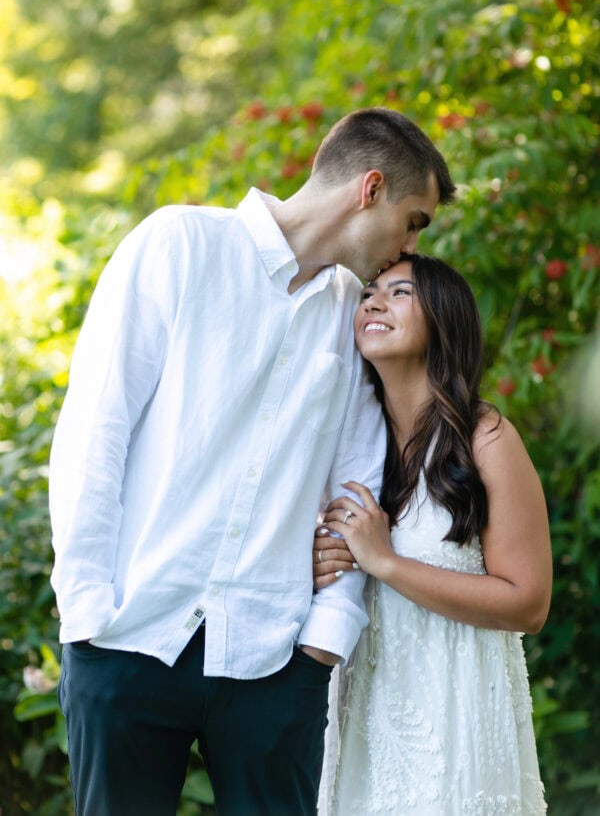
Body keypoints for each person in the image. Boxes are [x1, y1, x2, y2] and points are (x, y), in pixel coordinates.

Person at [48, 107, 455, 816]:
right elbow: (94, 432)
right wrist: (86, 613)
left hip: (273, 664)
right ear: (370, 189)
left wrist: (323, 643)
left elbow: (353, 485)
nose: (409, 245)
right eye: (414, 219)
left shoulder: (351, 316)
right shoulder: (177, 245)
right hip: (128, 638)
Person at [314, 254, 552, 815]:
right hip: (365, 724)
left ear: (443, 320)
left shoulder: (485, 437)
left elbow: (529, 603)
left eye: (400, 293)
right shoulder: (348, 443)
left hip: (456, 723)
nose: (373, 300)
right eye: (370, 291)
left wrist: (385, 562)